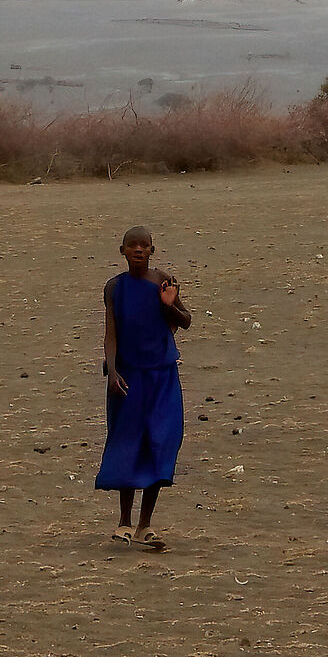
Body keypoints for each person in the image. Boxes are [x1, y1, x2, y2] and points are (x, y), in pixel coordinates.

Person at [96, 224, 190, 548]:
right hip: (128, 378)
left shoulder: (163, 281)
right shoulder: (114, 288)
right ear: (121, 251)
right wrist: (112, 372)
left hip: (162, 376)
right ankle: (124, 521)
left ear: (152, 250)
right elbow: (111, 334)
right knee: (127, 443)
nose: (138, 250)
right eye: (131, 246)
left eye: (144, 246)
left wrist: (170, 303)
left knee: (161, 442)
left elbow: (185, 321)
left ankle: (145, 525)